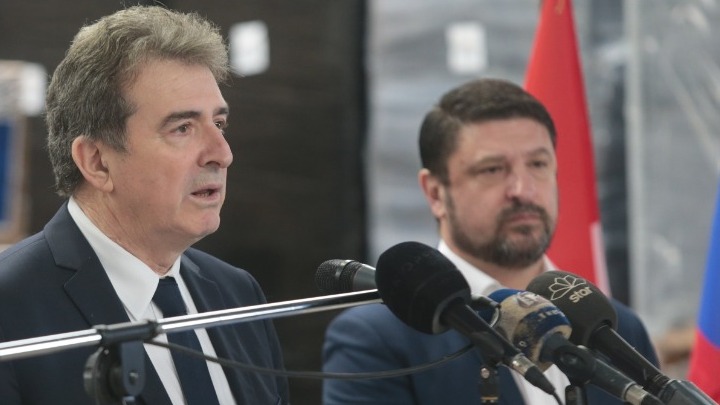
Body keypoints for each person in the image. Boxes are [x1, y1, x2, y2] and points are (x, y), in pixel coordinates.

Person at [0, 6, 289, 405]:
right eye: (182, 128)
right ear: (97, 162)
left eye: (219, 124)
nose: (222, 154)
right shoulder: (11, 306)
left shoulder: (236, 292)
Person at [322, 78, 659, 404]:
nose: (523, 190)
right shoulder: (376, 339)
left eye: (538, 164)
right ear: (436, 193)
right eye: (493, 170)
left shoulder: (616, 330)